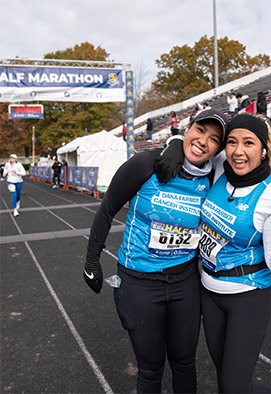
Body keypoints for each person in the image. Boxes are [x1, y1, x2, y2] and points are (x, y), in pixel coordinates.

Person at [155, 113, 271, 393]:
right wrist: (173, 143)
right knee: (230, 379)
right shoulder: (220, 169)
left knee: (233, 386)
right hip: (209, 291)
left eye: (249, 143)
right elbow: (197, 144)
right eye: (232, 142)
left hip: (248, 297)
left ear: (264, 150)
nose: (238, 151)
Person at [83, 108, 228, 394]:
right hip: (139, 282)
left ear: (217, 150)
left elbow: (245, 155)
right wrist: (92, 259)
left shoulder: (214, 175)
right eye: (200, 130)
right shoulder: (146, 164)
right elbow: (107, 209)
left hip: (184, 283)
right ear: (188, 128)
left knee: (185, 364)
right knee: (150, 370)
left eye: (213, 139)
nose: (203, 141)